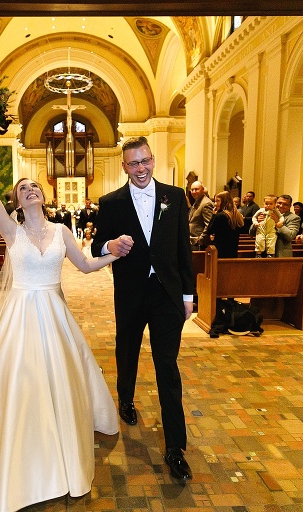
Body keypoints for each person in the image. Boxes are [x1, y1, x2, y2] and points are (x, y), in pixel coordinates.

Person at [0, 124, 119, 512]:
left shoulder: (62, 230)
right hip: (22, 313)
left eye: (35, 187)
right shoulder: (11, 231)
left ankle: (60, 438)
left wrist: (114, 253)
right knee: (23, 377)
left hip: (54, 312)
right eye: (23, 188)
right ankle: (23, 440)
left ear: (43, 195)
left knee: (59, 376)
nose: (31, 190)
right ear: (17, 201)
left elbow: (85, 266)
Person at [92, 136, 194, 482]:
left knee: (167, 365)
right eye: (134, 163)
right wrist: (109, 244)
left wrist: (188, 294)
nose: (141, 169)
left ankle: (175, 448)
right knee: (128, 350)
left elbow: (184, 248)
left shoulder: (174, 196)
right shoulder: (111, 202)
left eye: (146, 161)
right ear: (124, 166)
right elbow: (94, 244)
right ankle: (125, 398)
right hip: (131, 293)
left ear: (154, 160)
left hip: (167, 294)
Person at [203, 191, 244, 258]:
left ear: (225, 201)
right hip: (232, 251)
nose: (215, 204)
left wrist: (213, 215)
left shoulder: (220, 216)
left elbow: (210, 230)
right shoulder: (236, 215)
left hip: (221, 251)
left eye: (218, 201)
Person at [188, 180, 213, 250]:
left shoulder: (206, 203)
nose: (193, 192)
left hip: (198, 243)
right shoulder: (198, 201)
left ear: (202, 189)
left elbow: (209, 224)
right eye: (192, 190)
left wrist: (201, 239)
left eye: (196, 189)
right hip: (192, 241)